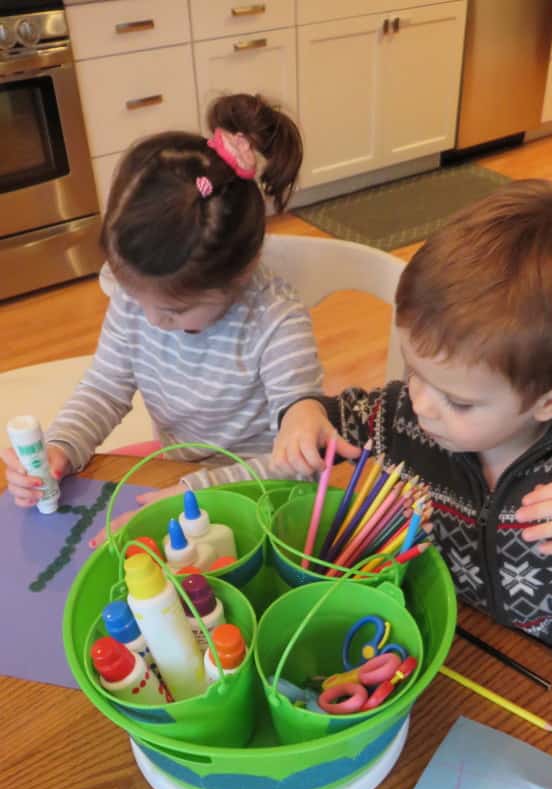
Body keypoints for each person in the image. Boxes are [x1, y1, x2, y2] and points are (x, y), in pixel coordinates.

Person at [273, 179, 552, 686]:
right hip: (444, 640)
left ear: (550, 400)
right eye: (413, 371)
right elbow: (336, 418)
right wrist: (304, 413)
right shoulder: (403, 417)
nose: (420, 403)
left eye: (459, 400)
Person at [1, 92, 322, 539]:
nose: (151, 320)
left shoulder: (276, 322)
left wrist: (194, 493)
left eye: (174, 311)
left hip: (256, 491)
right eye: (136, 299)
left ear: (241, 274)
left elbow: (298, 464)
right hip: (177, 470)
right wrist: (61, 447)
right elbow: (105, 387)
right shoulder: (138, 299)